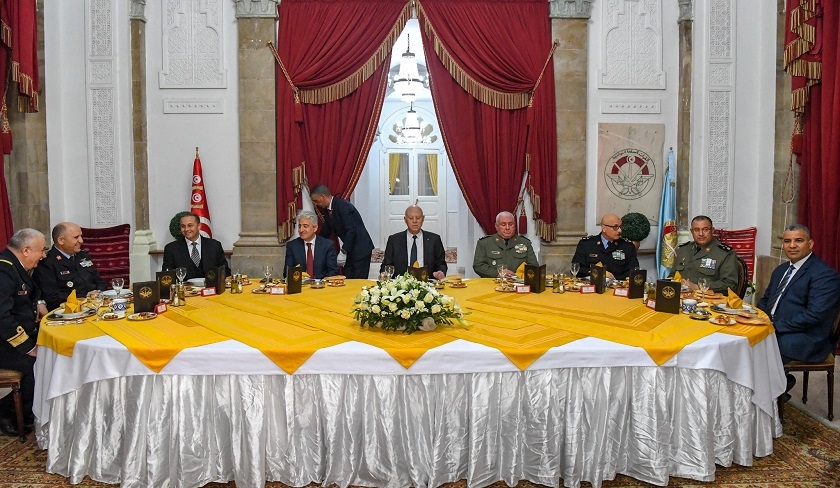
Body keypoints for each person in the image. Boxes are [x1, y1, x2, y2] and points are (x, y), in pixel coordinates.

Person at [757, 224, 840, 396]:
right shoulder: (781, 270)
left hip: (809, 337)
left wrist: (773, 326)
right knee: (742, 339)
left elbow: (814, 315)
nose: (792, 245)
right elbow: (766, 301)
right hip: (778, 327)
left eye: (798, 241)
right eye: (787, 241)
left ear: (810, 244)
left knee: (765, 346)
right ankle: (768, 389)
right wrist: (757, 319)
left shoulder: (824, 274)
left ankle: (772, 393)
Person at [0, 228, 48, 436]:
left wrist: (38, 303)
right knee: (37, 365)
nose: (44, 255)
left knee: (52, 354)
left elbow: (31, 289)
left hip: (20, 334)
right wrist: (28, 347)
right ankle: (6, 414)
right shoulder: (3, 270)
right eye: (41, 250)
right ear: (26, 250)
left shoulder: (15, 266)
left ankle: (30, 411)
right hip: (5, 343)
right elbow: (2, 318)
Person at [33, 222, 108, 310]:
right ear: (61, 240)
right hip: (68, 312)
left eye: (81, 236)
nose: (81, 241)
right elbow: (51, 297)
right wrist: (85, 297)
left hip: (95, 306)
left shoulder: (83, 256)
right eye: (76, 237)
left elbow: (99, 281)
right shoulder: (47, 262)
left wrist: (98, 292)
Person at [310, 184, 374, 279]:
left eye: (316, 201)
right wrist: (313, 242)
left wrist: (343, 251)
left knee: (358, 282)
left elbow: (351, 230)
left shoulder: (343, 206)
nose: (316, 204)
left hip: (361, 249)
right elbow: (325, 231)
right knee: (347, 279)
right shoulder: (328, 210)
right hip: (351, 249)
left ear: (322, 196)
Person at [672, 215, 738, 294]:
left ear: (712, 230)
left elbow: (730, 284)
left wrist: (699, 287)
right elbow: (672, 275)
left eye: (705, 230)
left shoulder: (725, 253)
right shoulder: (683, 249)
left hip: (708, 300)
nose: (701, 234)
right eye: (697, 230)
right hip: (681, 297)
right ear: (692, 231)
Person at [381, 205, 447, 280]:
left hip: (427, 284)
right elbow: (386, 265)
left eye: (418, 218)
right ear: (405, 220)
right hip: (401, 284)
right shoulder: (394, 240)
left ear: (423, 219)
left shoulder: (434, 239)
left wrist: (441, 272)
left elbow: (441, 263)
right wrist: (384, 274)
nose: (415, 221)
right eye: (411, 218)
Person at [571, 213, 639, 281]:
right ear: (604, 228)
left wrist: (614, 280)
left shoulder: (627, 246)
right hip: (592, 286)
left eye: (621, 227)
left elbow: (633, 271)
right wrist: (598, 273)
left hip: (617, 287)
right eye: (615, 227)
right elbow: (577, 269)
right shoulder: (586, 244)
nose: (620, 231)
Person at [162, 213, 230, 280]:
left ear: (199, 226)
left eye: (190, 225)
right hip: (184, 290)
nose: (186, 229)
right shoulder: (171, 249)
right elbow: (167, 276)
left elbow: (225, 271)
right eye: (183, 226)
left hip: (210, 289)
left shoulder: (214, 246)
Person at [473, 211, 538, 278]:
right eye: (503, 225)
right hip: (493, 283)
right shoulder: (485, 243)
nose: (507, 228)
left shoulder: (525, 243)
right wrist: (498, 274)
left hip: (517, 283)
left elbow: (534, 266)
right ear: (496, 226)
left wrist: (517, 275)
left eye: (510, 224)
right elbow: (478, 266)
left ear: (515, 225)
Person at [283, 210, 338, 280]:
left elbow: (332, 271)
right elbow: (287, 273)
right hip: (301, 287)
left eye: (305, 226)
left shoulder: (327, 245)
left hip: (322, 287)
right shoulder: (292, 246)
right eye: (299, 226)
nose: (301, 230)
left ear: (315, 228)